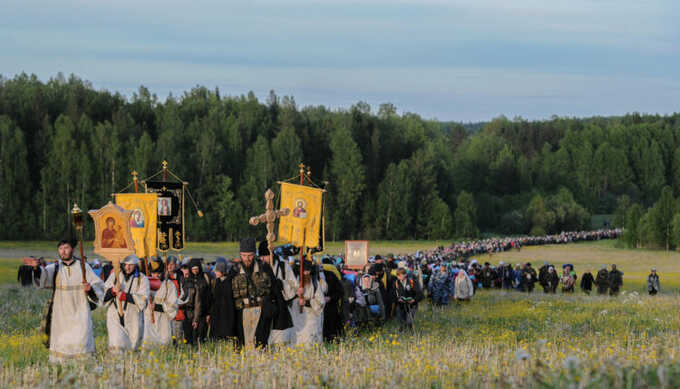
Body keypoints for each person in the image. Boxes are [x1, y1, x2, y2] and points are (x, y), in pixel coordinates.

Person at [25, 239, 105, 362]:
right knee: (62, 343)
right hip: (61, 313)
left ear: (72, 249)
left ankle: (83, 370)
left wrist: (89, 289)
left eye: (66, 248)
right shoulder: (56, 267)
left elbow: (98, 286)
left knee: (81, 340)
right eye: (61, 248)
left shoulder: (83, 267)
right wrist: (36, 268)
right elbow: (43, 276)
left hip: (80, 311)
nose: (63, 251)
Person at [231, 238, 279, 348]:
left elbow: (273, 290)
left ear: (254, 254)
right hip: (242, 311)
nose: (247, 259)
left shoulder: (264, 268)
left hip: (261, 311)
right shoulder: (235, 270)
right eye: (243, 255)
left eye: (250, 255)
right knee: (243, 343)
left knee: (260, 343)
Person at [104, 254, 150, 352]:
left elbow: (143, 299)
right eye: (125, 264)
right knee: (117, 345)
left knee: (132, 347)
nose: (127, 267)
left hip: (133, 316)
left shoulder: (142, 279)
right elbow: (103, 295)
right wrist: (112, 291)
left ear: (135, 264)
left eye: (131, 265)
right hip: (115, 315)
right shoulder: (115, 275)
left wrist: (125, 296)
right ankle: (117, 366)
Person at [143, 259, 178, 347]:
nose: (157, 275)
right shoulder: (145, 284)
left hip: (163, 321)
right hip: (148, 321)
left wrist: (158, 307)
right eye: (154, 272)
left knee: (164, 343)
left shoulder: (169, 285)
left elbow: (173, 306)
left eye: (159, 272)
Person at [290, 259, 326, 345]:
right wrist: (296, 294)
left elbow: (321, 302)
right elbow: (287, 296)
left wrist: (307, 302)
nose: (306, 273)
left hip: (311, 319)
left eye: (308, 271)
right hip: (297, 317)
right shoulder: (294, 282)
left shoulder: (315, 283)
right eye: (304, 271)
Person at [268, 244, 297, 346]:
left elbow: (294, 285)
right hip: (266, 305)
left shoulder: (283, 266)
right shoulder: (259, 265)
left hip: (282, 304)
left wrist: (282, 285)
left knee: (282, 334)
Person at [209, 259, 236, 341]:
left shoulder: (229, 282)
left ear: (222, 271)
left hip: (227, 310)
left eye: (217, 271)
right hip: (217, 311)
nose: (215, 273)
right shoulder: (216, 282)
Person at [393, 268, 423, 332]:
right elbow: (393, 295)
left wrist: (414, 300)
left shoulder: (412, 282)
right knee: (401, 320)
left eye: (400, 275)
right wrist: (398, 299)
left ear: (405, 275)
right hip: (401, 304)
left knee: (409, 321)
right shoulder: (396, 283)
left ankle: (411, 332)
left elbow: (420, 294)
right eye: (398, 275)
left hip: (412, 304)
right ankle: (402, 332)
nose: (399, 277)